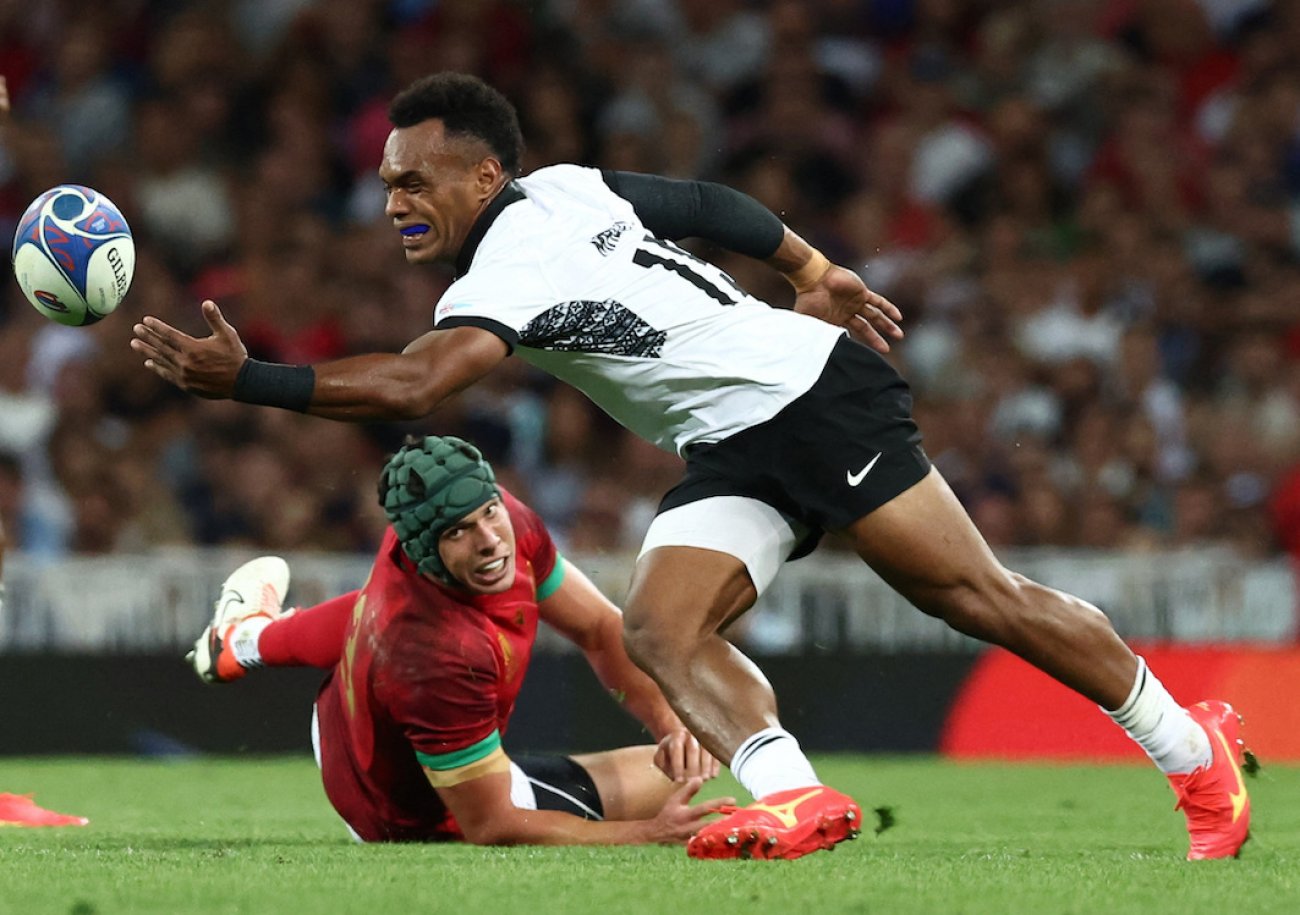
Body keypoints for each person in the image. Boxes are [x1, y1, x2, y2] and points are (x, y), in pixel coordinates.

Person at [133, 72, 1251, 861]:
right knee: (662, 629)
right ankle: (797, 799)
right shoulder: (567, 186)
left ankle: (1195, 757)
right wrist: (817, 264)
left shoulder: (507, 265)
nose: (393, 205)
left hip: (812, 401)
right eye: (385, 183)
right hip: (737, 438)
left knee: (977, 599)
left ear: (482, 175)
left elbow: (419, 387)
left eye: (416, 184)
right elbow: (708, 206)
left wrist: (253, 383)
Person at [190, 434, 729, 845]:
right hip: (402, 815)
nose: (491, 541)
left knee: (372, 616)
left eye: (489, 512)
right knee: (669, 784)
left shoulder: (487, 523)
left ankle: (244, 640)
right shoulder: (436, 653)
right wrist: (644, 834)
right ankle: (247, 640)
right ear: (424, 549)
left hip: (347, 720)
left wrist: (670, 722)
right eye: (459, 532)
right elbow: (491, 822)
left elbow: (597, 628)